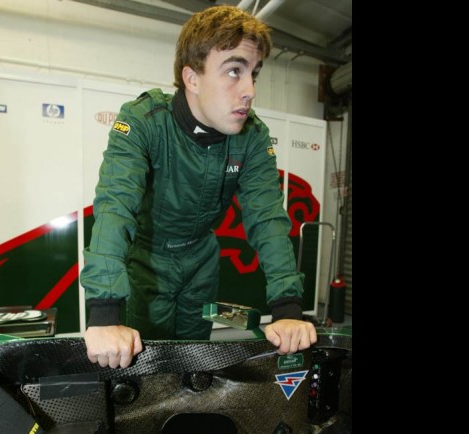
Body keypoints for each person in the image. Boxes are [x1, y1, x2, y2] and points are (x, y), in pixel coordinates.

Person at [80, 5, 317, 369]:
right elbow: (115, 206)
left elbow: (267, 217)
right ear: (192, 78)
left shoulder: (252, 137)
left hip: (201, 264)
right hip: (146, 265)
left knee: (194, 364)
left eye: (254, 74)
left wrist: (287, 308)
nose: (250, 90)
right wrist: (104, 313)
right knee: (146, 369)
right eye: (234, 71)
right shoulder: (143, 122)